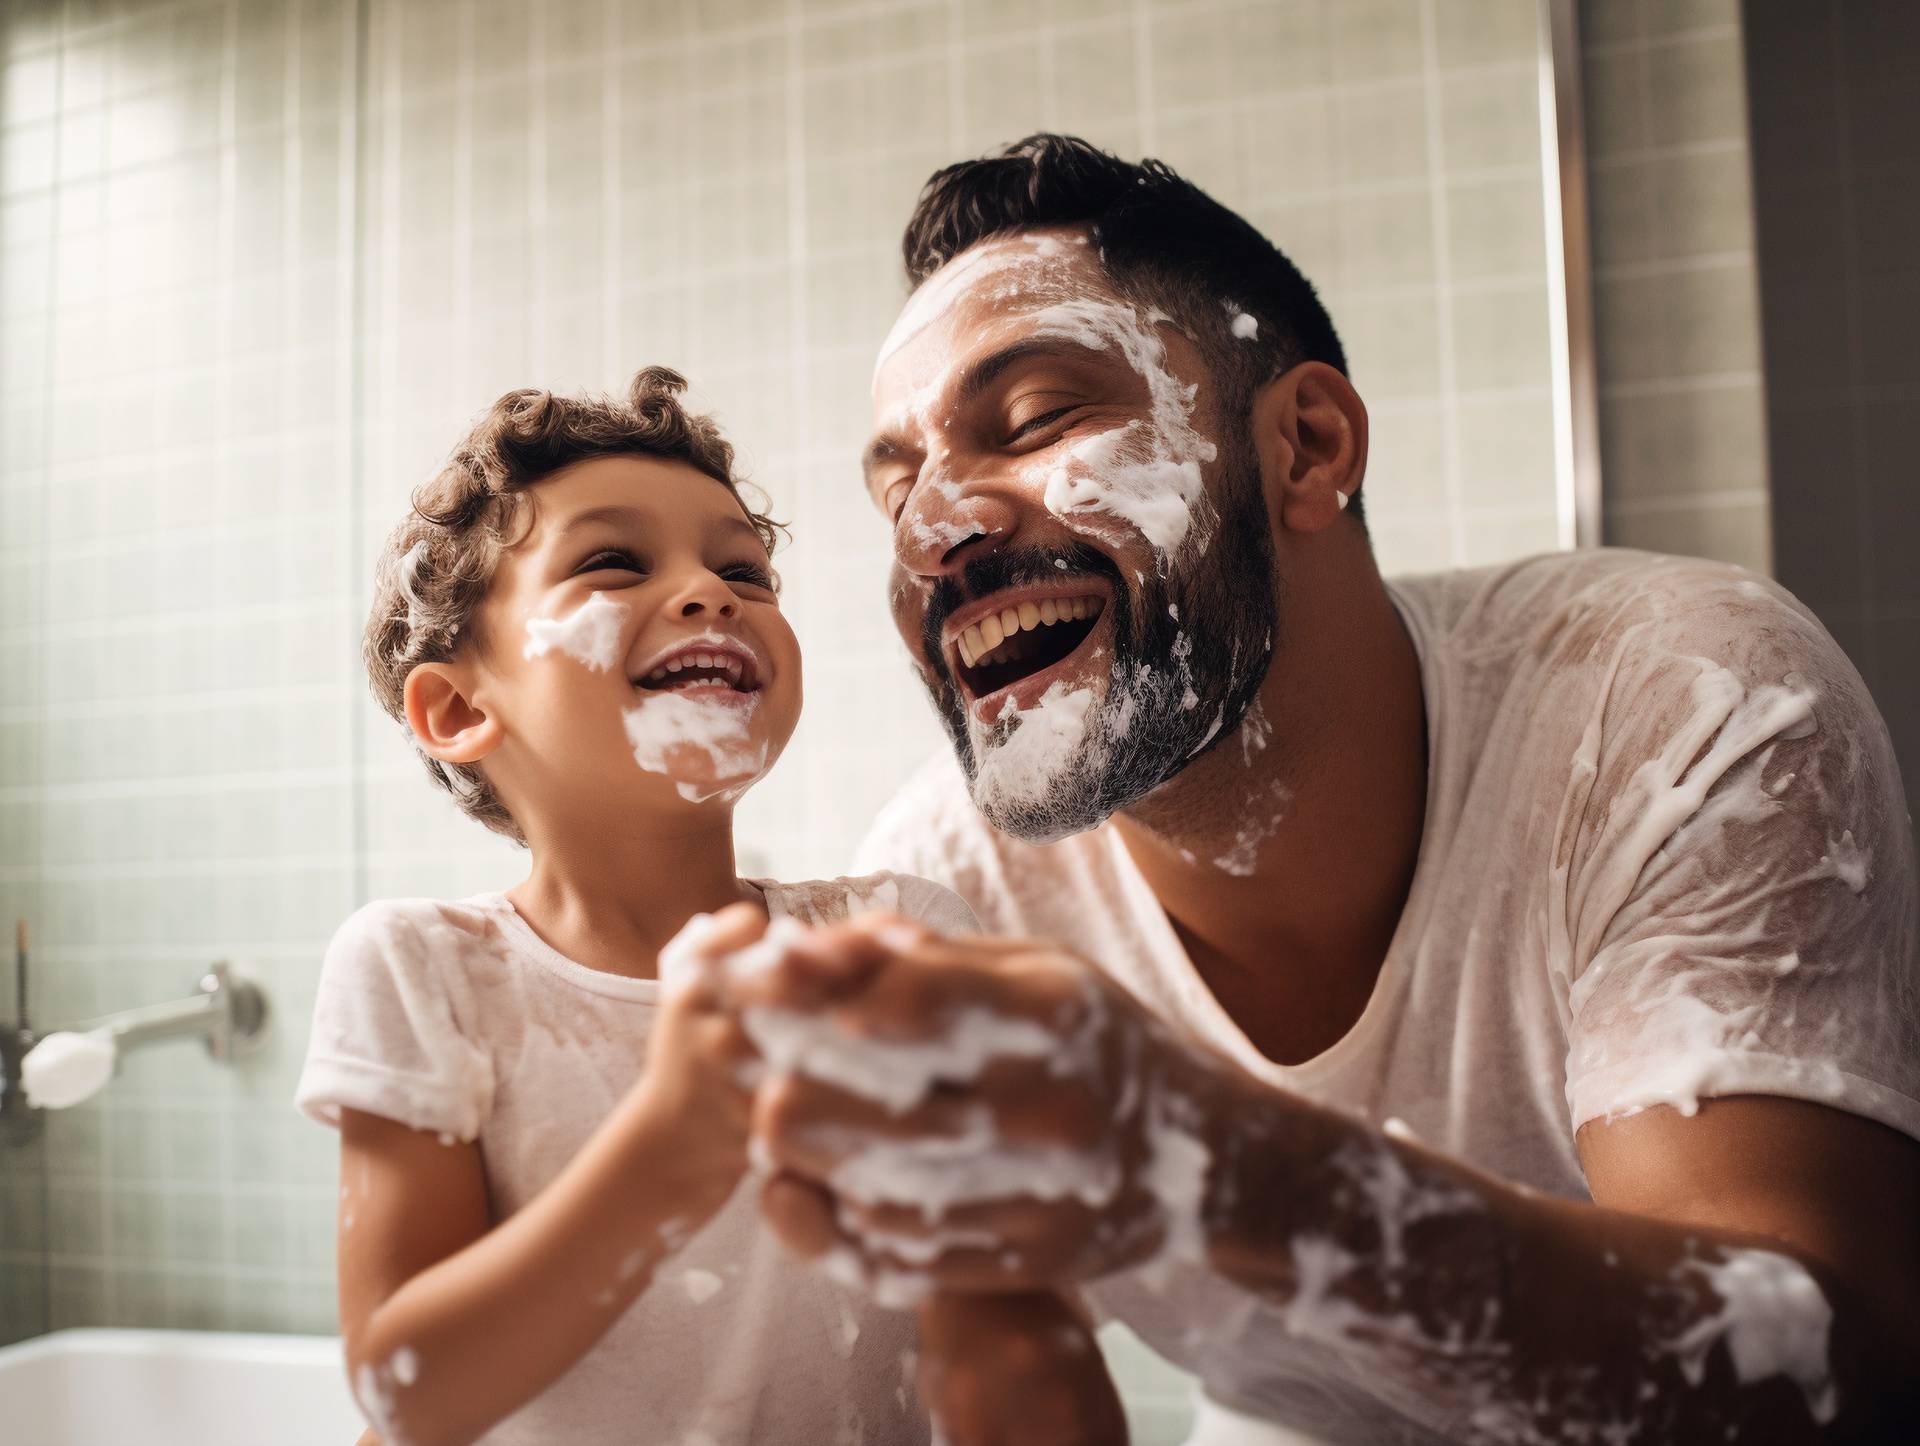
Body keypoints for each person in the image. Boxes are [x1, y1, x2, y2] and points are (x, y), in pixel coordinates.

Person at [697, 136, 1920, 1442]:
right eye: (899, 497)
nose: (936, 530)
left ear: (1311, 445)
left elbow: (1829, 1385)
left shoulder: (1669, 701)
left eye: (1042, 416)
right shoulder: (945, 897)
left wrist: (1214, 1159)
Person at [293, 368, 975, 1445]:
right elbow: (405, 1393)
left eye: (743, 568)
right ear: (461, 706)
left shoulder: (899, 942)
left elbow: (1006, 1296)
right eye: (614, 562)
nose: (712, 592)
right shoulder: (429, 973)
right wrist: (673, 1141)